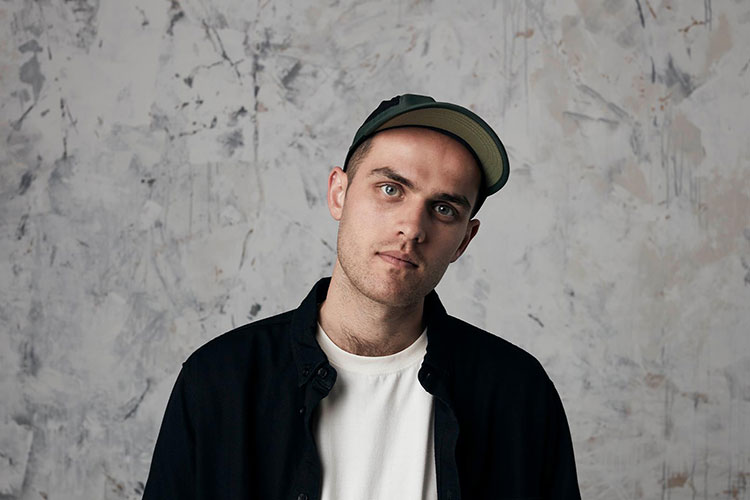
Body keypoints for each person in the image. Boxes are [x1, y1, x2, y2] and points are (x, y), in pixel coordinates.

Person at [142, 94, 581, 500]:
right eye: (391, 189)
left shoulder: (518, 394)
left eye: (444, 209)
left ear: (464, 240)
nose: (412, 227)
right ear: (339, 193)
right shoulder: (221, 380)